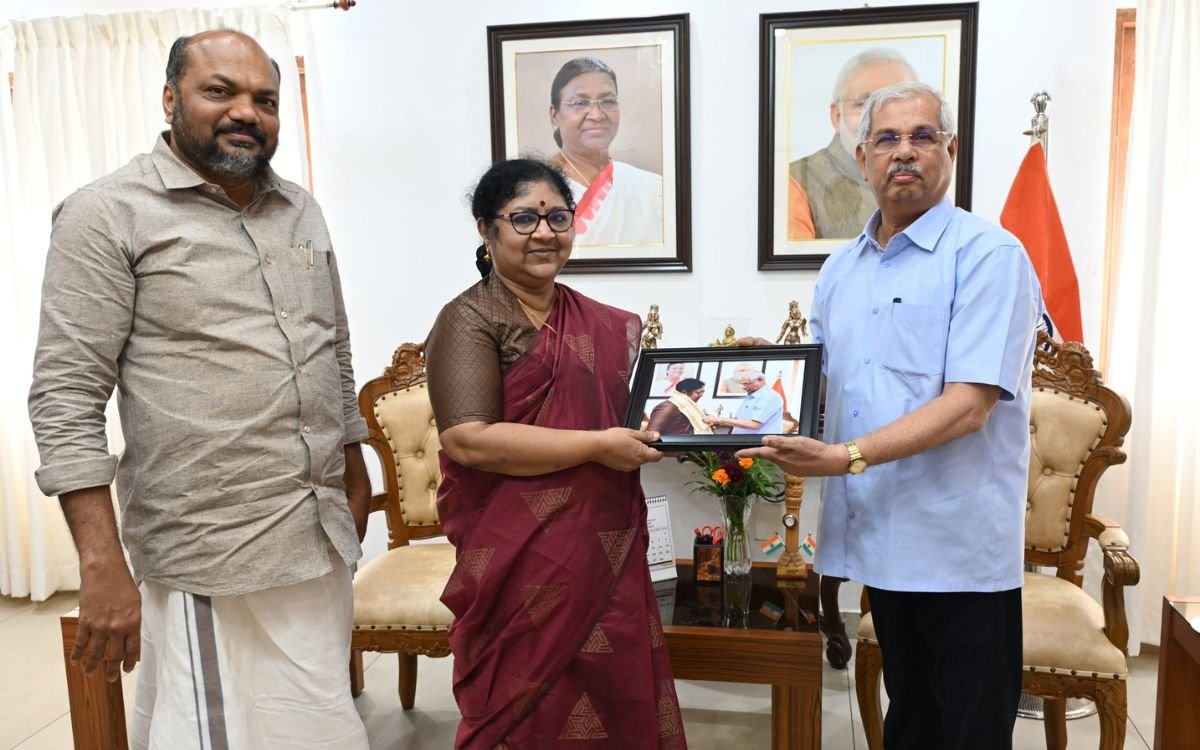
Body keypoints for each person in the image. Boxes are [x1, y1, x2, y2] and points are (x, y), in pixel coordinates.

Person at [27, 31, 370, 748]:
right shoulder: (106, 214)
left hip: (317, 536)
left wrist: (353, 465)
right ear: (170, 97)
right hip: (209, 549)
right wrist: (101, 564)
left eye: (265, 100)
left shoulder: (300, 209)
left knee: (321, 725)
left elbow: (331, 350)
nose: (246, 112)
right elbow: (65, 398)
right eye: (221, 91)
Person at [744, 82, 1044, 749]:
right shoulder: (841, 270)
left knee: (968, 731)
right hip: (882, 541)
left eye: (921, 136)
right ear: (861, 157)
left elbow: (969, 405)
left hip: (957, 546)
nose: (903, 152)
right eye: (886, 138)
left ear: (951, 149)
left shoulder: (989, 257)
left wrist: (846, 458)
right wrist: (773, 374)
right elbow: (833, 391)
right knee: (909, 717)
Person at [425, 158, 686, 748]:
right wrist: (598, 446)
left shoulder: (602, 322)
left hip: (604, 542)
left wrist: (710, 400)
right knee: (529, 705)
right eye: (523, 219)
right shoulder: (470, 319)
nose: (544, 233)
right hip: (520, 556)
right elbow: (468, 437)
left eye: (558, 217)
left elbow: (631, 414)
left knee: (614, 687)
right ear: (486, 231)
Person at [788, 48, 917, 241]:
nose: (880, 118)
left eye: (898, 103)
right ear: (836, 116)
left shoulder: (932, 180)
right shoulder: (796, 183)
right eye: (863, 104)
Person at [547, 57, 665, 246]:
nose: (597, 115)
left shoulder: (654, 189)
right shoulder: (536, 188)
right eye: (580, 103)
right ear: (555, 115)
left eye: (608, 101)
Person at [704, 371, 783, 435]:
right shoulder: (751, 396)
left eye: (746, 384)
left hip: (758, 446)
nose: (744, 387)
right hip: (744, 443)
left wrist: (719, 420)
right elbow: (739, 420)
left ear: (760, 380)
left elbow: (754, 424)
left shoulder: (768, 396)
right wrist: (717, 422)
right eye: (742, 384)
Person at [646, 378, 714, 436]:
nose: (701, 395)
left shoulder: (689, 407)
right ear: (684, 392)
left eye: (703, 392)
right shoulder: (668, 407)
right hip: (673, 449)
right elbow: (651, 434)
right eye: (699, 392)